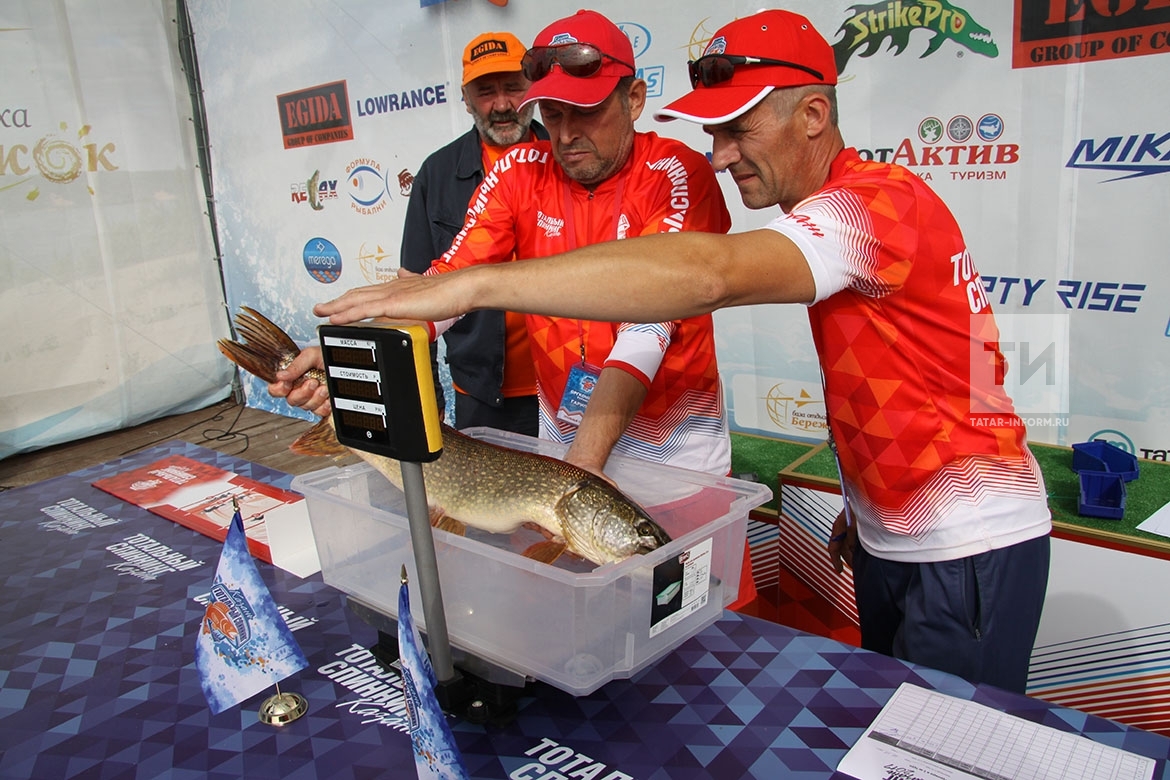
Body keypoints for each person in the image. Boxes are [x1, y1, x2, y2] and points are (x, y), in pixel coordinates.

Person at [311, 9, 1052, 693]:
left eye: (738, 130)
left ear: (815, 114)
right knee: (895, 723)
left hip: (965, 544)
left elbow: (700, 280)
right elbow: (944, 369)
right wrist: (869, 505)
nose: (721, 156)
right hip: (902, 537)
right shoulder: (842, 209)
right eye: (714, 134)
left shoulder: (869, 205)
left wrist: (469, 291)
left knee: (938, 739)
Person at [273, 9, 756, 608]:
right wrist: (355, 358)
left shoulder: (676, 174)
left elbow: (648, 328)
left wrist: (579, 471)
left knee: (701, 629)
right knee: (586, 636)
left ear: (634, 98)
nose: (567, 132)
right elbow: (450, 285)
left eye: (587, 111)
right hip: (562, 474)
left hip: (671, 463)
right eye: (552, 114)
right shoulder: (518, 172)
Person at [401, 32, 546, 437]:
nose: (501, 105)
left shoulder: (567, 158)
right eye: (485, 92)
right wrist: (424, 400)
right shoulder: (436, 173)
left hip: (568, 387)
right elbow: (415, 292)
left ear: (533, 89)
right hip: (480, 393)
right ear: (465, 98)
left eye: (513, 88)